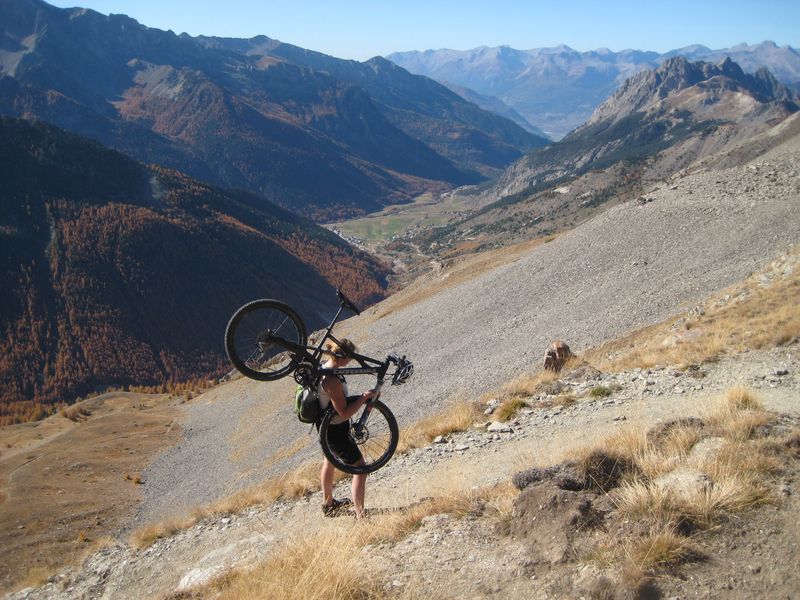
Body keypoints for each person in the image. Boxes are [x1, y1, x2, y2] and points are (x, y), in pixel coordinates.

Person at [317, 338, 375, 519]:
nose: (350, 361)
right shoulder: (331, 380)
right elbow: (344, 412)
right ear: (341, 357)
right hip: (335, 430)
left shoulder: (324, 367)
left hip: (325, 427)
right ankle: (360, 515)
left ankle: (329, 504)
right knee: (361, 468)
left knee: (330, 460)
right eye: (349, 358)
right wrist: (363, 398)